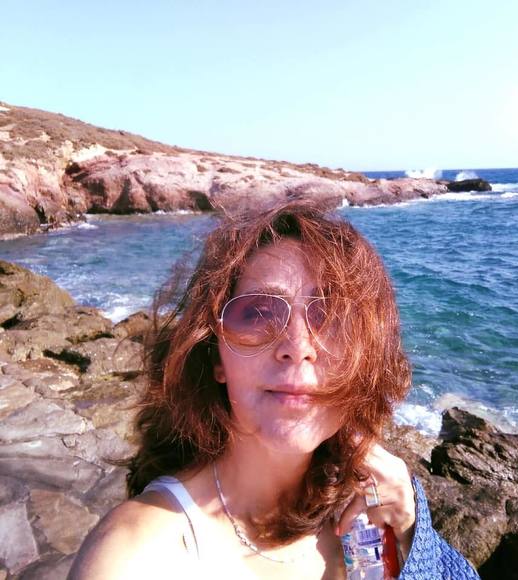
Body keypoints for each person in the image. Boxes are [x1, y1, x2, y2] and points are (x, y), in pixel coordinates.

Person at [69, 201, 480, 579]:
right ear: (215, 355)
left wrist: (409, 534)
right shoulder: (136, 556)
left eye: (332, 317)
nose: (298, 347)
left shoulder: (374, 520)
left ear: (365, 359)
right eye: (258, 313)